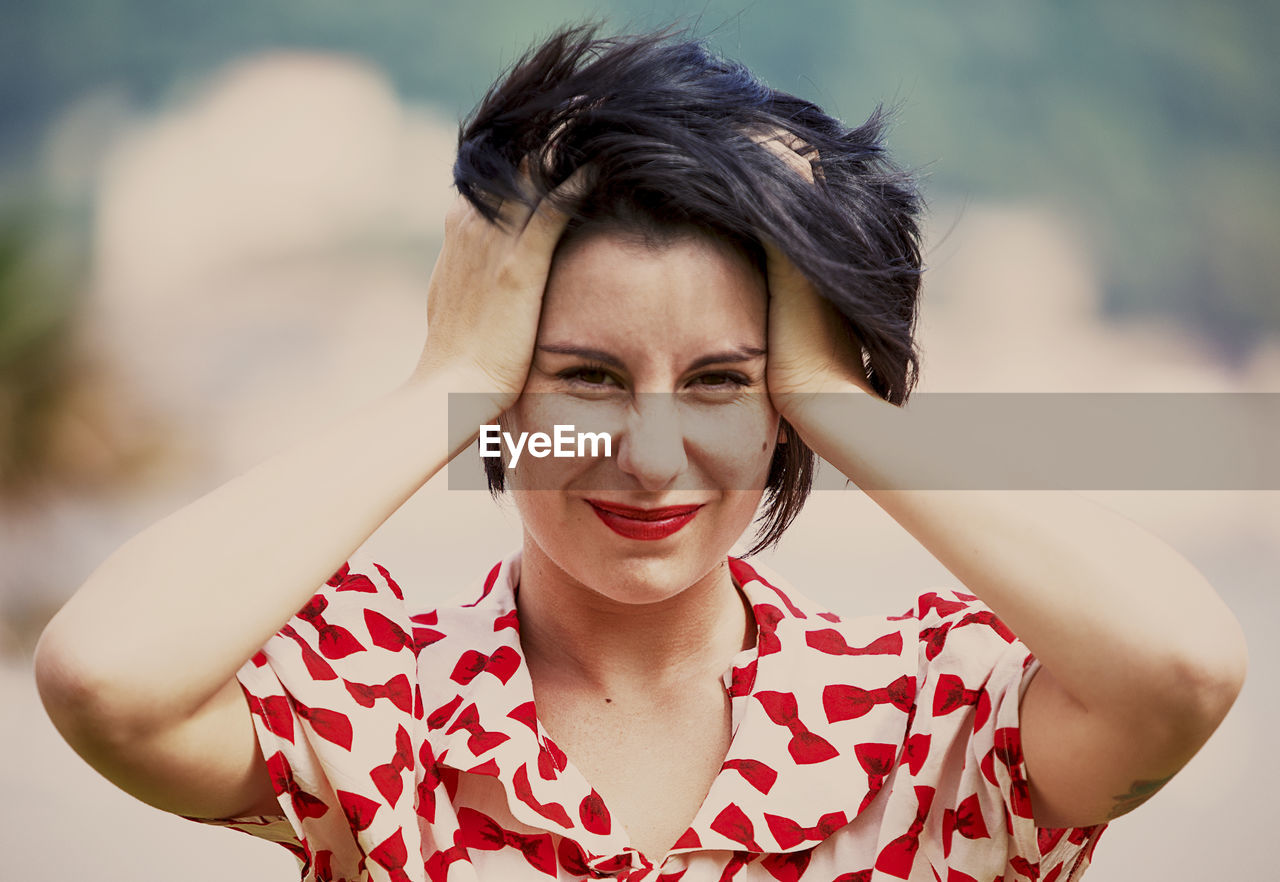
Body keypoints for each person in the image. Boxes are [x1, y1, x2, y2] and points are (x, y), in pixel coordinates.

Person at [34, 26, 1247, 882]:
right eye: (584, 380)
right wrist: (447, 383)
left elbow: (1181, 674)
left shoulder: (926, 719)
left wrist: (829, 385)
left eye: (720, 382)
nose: (651, 458)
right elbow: (103, 681)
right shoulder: (383, 706)